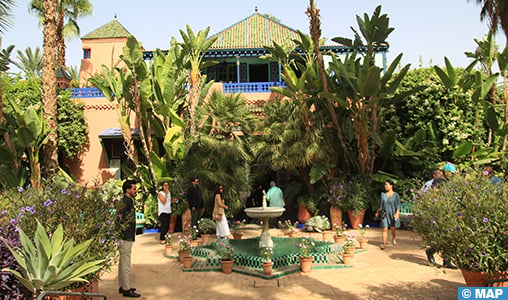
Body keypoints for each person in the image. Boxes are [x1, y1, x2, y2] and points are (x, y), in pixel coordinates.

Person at [117, 179, 141, 298]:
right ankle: (126, 289)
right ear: (127, 190)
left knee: (123, 262)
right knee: (126, 263)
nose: (136, 191)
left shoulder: (128, 201)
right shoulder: (125, 202)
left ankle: (123, 285)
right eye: (134, 189)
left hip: (126, 236)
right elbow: (119, 218)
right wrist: (121, 233)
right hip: (125, 236)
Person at [376, 180, 401, 250]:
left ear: (391, 186)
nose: (385, 186)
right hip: (384, 214)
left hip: (393, 213)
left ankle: (393, 238)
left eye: (387, 185)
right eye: (385, 185)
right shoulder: (383, 194)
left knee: (393, 228)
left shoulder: (396, 195)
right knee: (385, 228)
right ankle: (384, 244)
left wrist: (397, 213)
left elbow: (398, 205)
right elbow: (380, 204)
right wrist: (377, 212)